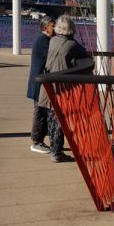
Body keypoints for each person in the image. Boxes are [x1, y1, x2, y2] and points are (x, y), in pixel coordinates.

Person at [39, 14, 92, 163]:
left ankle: (55, 149)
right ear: (71, 29)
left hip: (49, 85)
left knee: (52, 119)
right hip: (61, 88)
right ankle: (56, 152)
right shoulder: (73, 45)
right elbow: (86, 56)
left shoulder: (53, 40)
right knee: (60, 120)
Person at [27, 15, 56, 153]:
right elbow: (51, 59)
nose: (56, 28)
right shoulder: (43, 41)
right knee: (40, 111)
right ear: (46, 28)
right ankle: (36, 141)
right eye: (53, 26)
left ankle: (39, 139)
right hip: (39, 83)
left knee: (42, 110)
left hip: (40, 81)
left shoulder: (45, 40)